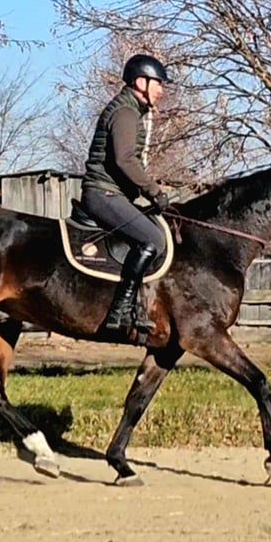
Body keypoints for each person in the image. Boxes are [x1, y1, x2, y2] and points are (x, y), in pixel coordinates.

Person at [80, 53, 171, 333]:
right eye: (158, 83)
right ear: (140, 82)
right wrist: (154, 191)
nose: (161, 90)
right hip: (103, 194)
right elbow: (125, 160)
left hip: (113, 193)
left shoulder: (131, 110)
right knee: (153, 238)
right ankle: (121, 309)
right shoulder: (125, 112)